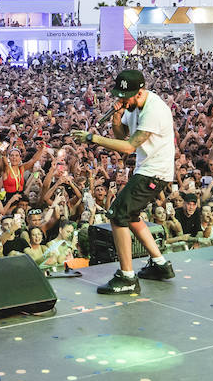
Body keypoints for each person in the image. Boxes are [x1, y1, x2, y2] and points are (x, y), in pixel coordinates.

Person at [71, 69, 177, 294]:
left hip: (155, 172)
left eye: (124, 96)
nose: (120, 100)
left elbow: (130, 147)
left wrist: (94, 138)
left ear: (139, 92)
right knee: (131, 216)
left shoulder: (154, 110)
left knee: (117, 215)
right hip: (146, 169)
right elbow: (122, 136)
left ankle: (127, 276)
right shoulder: (134, 106)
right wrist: (117, 118)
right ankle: (160, 265)